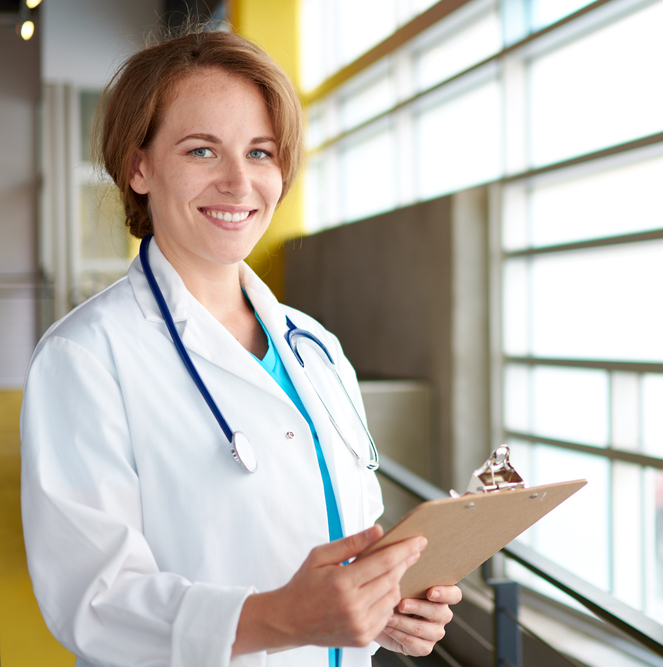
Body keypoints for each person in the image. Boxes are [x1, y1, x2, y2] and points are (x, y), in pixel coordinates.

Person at [19, 30, 460, 667]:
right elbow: (94, 601)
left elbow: (341, 538)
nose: (238, 181)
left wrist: (386, 606)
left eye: (260, 152)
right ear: (138, 166)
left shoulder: (317, 349)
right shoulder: (86, 358)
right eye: (202, 150)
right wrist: (282, 619)